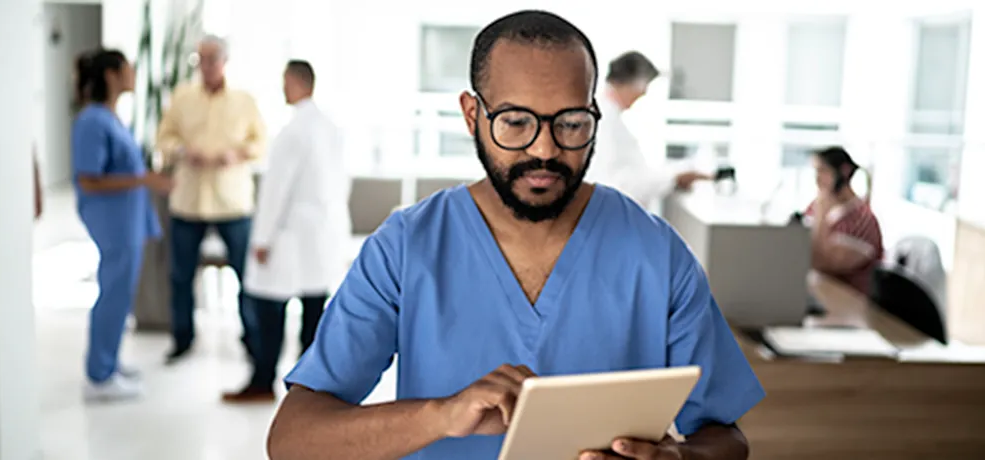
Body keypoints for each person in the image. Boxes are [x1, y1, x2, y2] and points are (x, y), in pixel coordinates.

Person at [268, 10, 764, 460]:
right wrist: (441, 415)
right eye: (516, 121)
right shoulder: (407, 247)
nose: (545, 149)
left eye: (570, 122)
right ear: (472, 115)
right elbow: (292, 439)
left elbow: (726, 438)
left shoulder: (657, 254)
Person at [223, 60, 351, 403]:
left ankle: (263, 379)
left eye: (284, 82)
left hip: (291, 233)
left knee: (269, 307)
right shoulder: (331, 127)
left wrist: (262, 238)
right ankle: (309, 388)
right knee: (313, 309)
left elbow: (276, 189)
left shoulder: (293, 131)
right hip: (322, 233)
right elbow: (342, 183)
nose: (282, 88)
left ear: (295, 83)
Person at [156, 35, 268, 363]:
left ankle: (252, 338)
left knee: (246, 276)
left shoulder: (244, 101)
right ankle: (182, 337)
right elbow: (163, 138)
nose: (206, 66)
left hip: (232, 203)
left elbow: (261, 143)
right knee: (181, 275)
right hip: (188, 202)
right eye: (200, 59)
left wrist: (236, 154)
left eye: (212, 59)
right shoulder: (182, 98)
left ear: (224, 62)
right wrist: (182, 151)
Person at [71, 49, 172, 401]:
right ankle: (99, 375)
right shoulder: (92, 121)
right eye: (128, 69)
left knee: (120, 293)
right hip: (111, 221)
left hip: (124, 220)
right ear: (112, 75)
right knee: (112, 293)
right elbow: (89, 179)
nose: (133, 75)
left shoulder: (111, 118)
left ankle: (109, 362)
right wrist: (144, 180)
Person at [587, 51, 711, 208]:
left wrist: (671, 176)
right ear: (631, 82)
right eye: (644, 84)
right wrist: (672, 177)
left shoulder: (609, 118)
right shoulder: (605, 123)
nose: (644, 92)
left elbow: (629, 172)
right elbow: (616, 183)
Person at [804, 146, 883, 295]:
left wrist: (821, 215)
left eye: (823, 171)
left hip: (850, 304)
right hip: (820, 295)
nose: (817, 179)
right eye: (816, 171)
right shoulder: (813, 207)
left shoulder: (863, 220)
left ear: (844, 171)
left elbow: (821, 263)